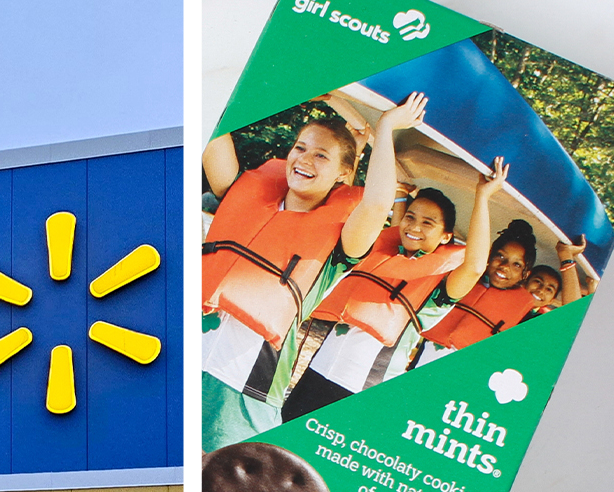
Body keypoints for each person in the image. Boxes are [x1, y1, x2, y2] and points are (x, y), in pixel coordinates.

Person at [200, 92, 425, 447]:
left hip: (245, 387)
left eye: (321, 155)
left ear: (343, 173)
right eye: (300, 148)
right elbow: (209, 125)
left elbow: (378, 202)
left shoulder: (342, 242)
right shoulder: (243, 192)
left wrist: (387, 127)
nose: (304, 160)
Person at [281, 159, 508, 421]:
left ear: (446, 236)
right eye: (410, 218)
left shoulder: (439, 290)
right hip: (318, 371)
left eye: (428, 223)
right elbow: (356, 210)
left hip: (363, 391)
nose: (414, 227)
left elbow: (476, 265)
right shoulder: (381, 256)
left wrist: (483, 196)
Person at [413, 220, 541, 366]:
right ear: (490, 256)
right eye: (500, 256)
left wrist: (567, 261)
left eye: (517, 264)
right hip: (428, 357)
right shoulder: (462, 278)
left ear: (525, 274)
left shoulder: (524, 316)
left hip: (467, 371)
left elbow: (570, 324)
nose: (505, 266)